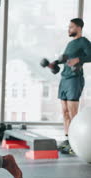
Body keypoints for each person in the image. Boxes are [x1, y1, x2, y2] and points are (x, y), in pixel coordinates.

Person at [50, 18, 91, 154]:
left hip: (74, 79)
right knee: (65, 112)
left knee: (73, 113)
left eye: (71, 27)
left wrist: (79, 59)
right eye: (69, 27)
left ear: (79, 28)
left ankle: (75, 142)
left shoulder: (83, 42)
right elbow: (66, 58)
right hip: (65, 78)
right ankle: (68, 140)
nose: (69, 29)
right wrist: (55, 63)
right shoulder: (70, 43)